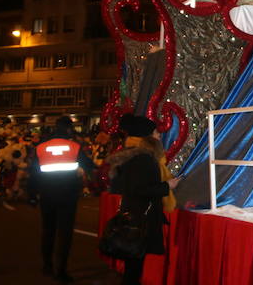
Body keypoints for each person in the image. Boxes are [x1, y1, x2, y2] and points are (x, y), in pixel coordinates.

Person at [107, 114, 179, 285]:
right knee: (134, 265)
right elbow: (139, 189)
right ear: (147, 136)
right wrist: (167, 186)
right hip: (140, 218)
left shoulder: (135, 155)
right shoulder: (143, 158)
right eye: (156, 132)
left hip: (135, 214)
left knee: (133, 264)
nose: (159, 136)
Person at [28, 115, 95, 283]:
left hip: (47, 194)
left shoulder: (41, 147)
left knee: (48, 231)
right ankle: (61, 271)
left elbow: (33, 173)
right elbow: (88, 165)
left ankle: (47, 266)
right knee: (64, 234)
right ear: (68, 129)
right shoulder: (74, 146)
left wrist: (32, 195)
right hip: (68, 195)